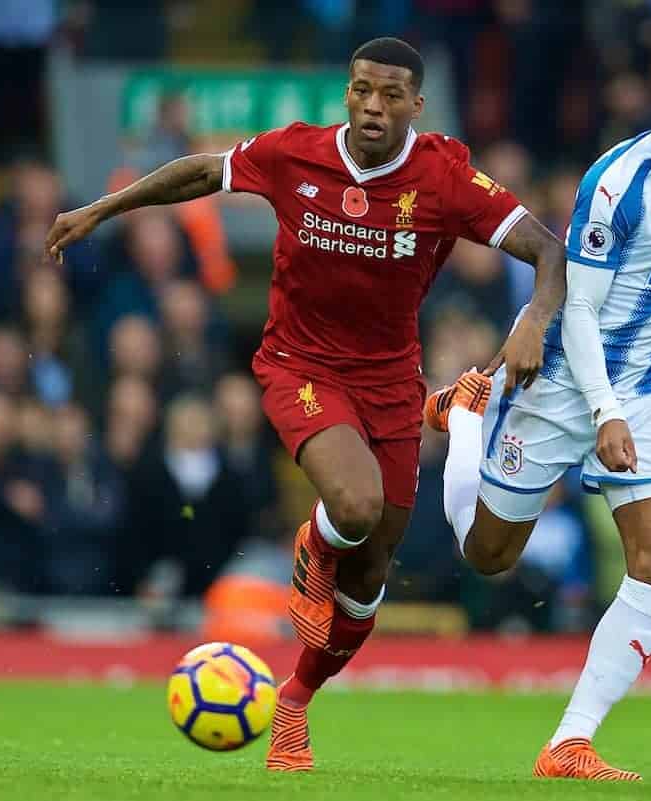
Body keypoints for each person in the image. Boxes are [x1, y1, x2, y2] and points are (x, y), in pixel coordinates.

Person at [43, 37, 566, 771]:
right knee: (353, 510)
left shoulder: (444, 177)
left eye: (390, 95)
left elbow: (549, 251)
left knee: (372, 572)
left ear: (415, 104)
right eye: (361, 91)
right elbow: (203, 170)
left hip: (391, 384)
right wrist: (103, 207)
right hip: (301, 364)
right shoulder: (296, 153)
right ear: (347, 93)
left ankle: (293, 698)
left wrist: (534, 321)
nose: (373, 106)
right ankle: (315, 542)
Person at [426, 46, 651, 781]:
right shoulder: (617, 181)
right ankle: (465, 419)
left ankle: (571, 741)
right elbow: (581, 311)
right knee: (488, 555)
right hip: (565, 387)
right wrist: (602, 413)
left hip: (646, 388)